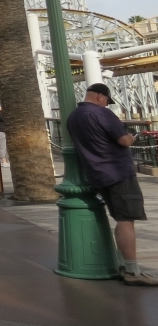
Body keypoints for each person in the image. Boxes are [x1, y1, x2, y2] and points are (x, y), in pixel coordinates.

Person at [66, 83, 158, 286]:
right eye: (107, 100)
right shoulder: (103, 114)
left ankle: (123, 264)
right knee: (126, 219)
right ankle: (132, 271)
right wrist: (132, 137)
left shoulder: (73, 117)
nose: (107, 104)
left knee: (119, 217)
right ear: (100, 97)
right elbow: (124, 141)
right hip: (118, 172)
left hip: (97, 174)